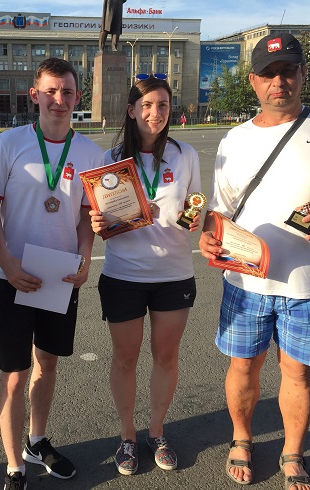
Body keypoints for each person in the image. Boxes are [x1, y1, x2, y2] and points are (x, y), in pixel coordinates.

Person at [198, 33, 310, 490]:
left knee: (297, 373)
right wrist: (209, 237)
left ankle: (293, 452)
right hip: (247, 282)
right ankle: (242, 438)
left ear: (301, 74)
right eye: (269, 73)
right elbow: (220, 210)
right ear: (254, 81)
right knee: (243, 367)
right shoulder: (235, 139)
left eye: (288, 71)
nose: (279, 81)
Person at [0, 57, 104, 490]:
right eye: (50, 91)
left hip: (60, 277)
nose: (59, 99)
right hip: (13, 276)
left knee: (47, 363)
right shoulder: (9, 143)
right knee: (15, 374)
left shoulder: (91, 153)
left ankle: (37, 440)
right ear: (35, 95)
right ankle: (14, 466)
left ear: (77, 97)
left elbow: (87, 215)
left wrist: (85, 257)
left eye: (67, 91)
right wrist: (8, 264)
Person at [89, 75, 202, 476]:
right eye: (148, 105)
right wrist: (100, 224)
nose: (156, 113)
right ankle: (127, 437)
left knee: (166, 356)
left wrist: (190, 217)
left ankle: (156, 431)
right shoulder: (110, 160)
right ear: (132, 110)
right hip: (124, 275)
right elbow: (101, 220)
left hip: (173, 274)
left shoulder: (185, 154)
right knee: (125, 358)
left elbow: (196, 206)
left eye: (163, 105)